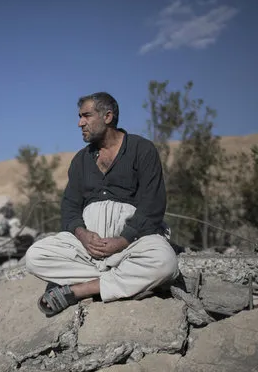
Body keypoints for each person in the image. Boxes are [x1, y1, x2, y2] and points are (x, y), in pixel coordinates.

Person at [24, 92, 179, 317]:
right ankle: (122, 280)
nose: (80, 123)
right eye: (79, 117)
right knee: (35, 256)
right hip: (87, 248)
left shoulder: (141, 149)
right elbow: (69, 207)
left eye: (86, 116)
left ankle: (79, 289)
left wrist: (123, 240)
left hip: (132, 243)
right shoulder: (80, 160)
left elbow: (152, 203)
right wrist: (82, 234)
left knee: (165, 262)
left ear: (107, 116)